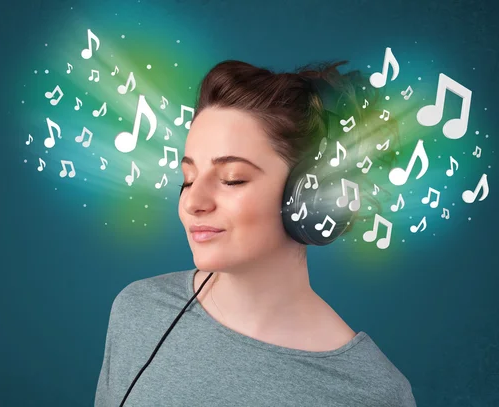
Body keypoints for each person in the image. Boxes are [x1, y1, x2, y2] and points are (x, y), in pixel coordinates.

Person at [95, 59, 417, 406]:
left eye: (233, 178)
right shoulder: (138, 311)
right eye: (188, 179)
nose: (193, 202)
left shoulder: (372, 393)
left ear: (314, 193)